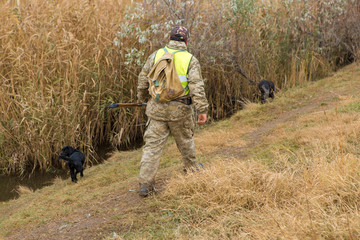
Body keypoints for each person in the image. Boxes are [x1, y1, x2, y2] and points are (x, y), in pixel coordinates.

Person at [136, 26, 209, 197]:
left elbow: (142, 78)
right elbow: (196, 87)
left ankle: (145, 185)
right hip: (181, 111)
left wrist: (142, 99)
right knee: (185, 142)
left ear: (169, 38)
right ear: (187, 41)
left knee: (152, 148)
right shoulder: (190, 59)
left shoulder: (156, 55)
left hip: (157, 110)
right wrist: (202, 110)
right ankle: (191, 170)